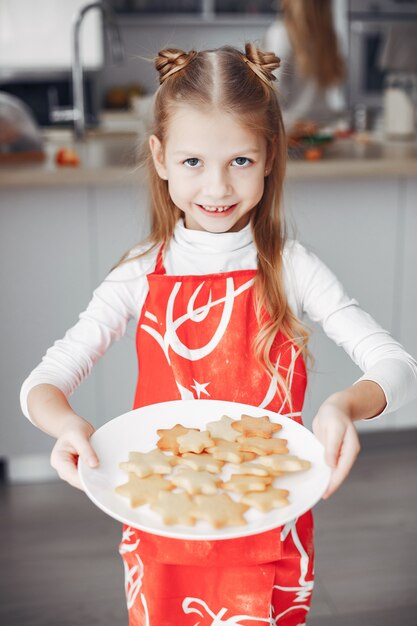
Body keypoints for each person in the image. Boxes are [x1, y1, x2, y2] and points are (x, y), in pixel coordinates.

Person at [20, 43, 417, 625]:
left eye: (240, 161)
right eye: (192, 163)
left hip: (272, 525)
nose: (217, 188)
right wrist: (69, 427)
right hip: (162, 529)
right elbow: (42, 382)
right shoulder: (139, 273)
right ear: (158, 157)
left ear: (270, 157)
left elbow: (396, 366)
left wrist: (344, 406)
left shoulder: (290, 266)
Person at [263, 0, 346, 131]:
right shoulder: (329, 36)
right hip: (319, 128)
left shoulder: (281, 34)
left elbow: (272, 101)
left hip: (296, 132)